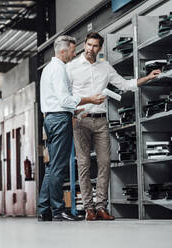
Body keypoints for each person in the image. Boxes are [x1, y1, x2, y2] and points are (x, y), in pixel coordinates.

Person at [66, 32, 161, 221]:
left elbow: (125, 84)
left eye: (94, 46)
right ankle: (88, 209)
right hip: (81, 120)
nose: (90, 49)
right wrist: (71, 115)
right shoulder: (71, 67)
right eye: (88, 45)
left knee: (105, 163)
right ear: (84, 44)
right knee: (84, 165)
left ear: (100, 48)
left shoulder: (105, 67)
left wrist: (148, 77)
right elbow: (66, 95)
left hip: (101, 120)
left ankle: (101, 206)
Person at [38, 35, 106, 222]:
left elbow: (58, 100)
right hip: (59, 119)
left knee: (52, 167)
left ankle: (44, 209)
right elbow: (65, 100)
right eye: (72, 50)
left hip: (53, 118)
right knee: (58, 167)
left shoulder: (48, 68)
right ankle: (58, 210)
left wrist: (75, 111)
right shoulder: (59, 70)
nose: (74, 53)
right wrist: (90, 99)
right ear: (63, 51)